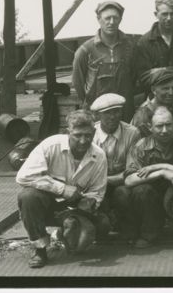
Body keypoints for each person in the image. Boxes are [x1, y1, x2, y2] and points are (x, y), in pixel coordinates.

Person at [15, 110, 107, 268]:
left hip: (75, 206)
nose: (83, 141)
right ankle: (40, 249)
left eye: (88, 135)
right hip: (47, 203)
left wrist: (87, 205)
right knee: (28, 196)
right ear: (68, 132)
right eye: (77, 135)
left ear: (94, 132)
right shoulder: (50, 145)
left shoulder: (99, 156)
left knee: (103, 226)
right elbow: (23, 176)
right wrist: (62, 189)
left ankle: (63, 231)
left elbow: (97, 192)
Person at [122, 105, 173, 248]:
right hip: (153, 193)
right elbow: (129, 180)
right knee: (140, 190)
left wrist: (163, 166)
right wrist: (162, 173)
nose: (165, 130)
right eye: (159, 126)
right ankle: (149, 233)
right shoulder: (141, 146)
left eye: (168, 125)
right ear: (150, 127)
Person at [71, 0, 136, 121]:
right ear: (98, 19)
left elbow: (135, 77)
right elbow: (78, 83)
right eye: (107, 18)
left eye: (115, 18)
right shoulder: (85, 50)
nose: (111, 22)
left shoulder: (130, 47)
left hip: (124, 111)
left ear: (120, 19)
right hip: (97, 113)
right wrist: (90, 104)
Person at [90, 93, 140, 238]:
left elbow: (131, 170)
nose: (112, 116)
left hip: (122, 183)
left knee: (123, 194)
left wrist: (110, 179)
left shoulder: (132, 133)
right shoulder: (90, 134)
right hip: (95, 184)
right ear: (98, 115)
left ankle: (128, 229)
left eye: (116, 111)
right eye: (107, 113)